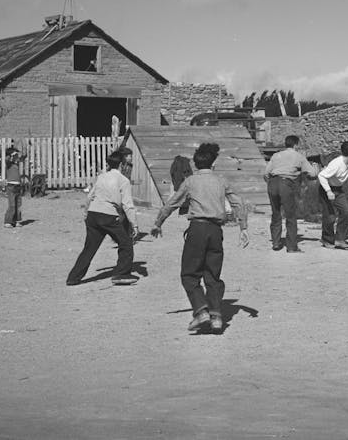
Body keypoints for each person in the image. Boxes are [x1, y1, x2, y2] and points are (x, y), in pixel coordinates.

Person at [150, 142, 249, 334]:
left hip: (197, 230)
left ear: (195, 165)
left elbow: (172, 203)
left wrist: (158, 223)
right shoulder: (221, 181)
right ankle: (217, 316)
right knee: (212, 275)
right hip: (215, 232)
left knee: (189, 274)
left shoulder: (190, 181)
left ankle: (201, 311)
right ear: (213, 164)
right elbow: (239, 203)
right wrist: (243, 228)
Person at [66, 149, 139, 286]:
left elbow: (90, 196)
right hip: (109, 216)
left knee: (89, 248)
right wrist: (134, 224)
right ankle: (121, 274)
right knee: (126, 244)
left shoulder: (101, 177)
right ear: (122, 165)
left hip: (93, 214)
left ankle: (73, 277)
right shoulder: (123, 180)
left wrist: (86, 213)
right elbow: (128, 204)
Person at [264, 135, 318, 253]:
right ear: (296, 144)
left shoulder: (276, 155)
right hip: (286, 184)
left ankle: (276, 242)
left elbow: (266, 173)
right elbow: (313, 173)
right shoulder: (299, 156)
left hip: (273, 183)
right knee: (290, 215)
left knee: (276, 213)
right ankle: (292, 246)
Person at [317, 140, 348, 250]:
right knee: (330, 216)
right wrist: (328, 191)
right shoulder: (337, 164)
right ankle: (327, 240)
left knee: (346, 213)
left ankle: (339, 239)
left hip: (338, 190)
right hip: (326, 189)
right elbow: (321, 176)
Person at [3, 146, 25, 228]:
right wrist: (11, 154)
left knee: (18, 205)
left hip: (17, 186)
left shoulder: (16, 164)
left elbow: (23, 156)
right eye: (15, 156)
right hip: (11, 186)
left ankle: (16, 221)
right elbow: (7, 159)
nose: (17, 157)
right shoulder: (9, 164)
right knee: (12, 204)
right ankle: (8, 221)